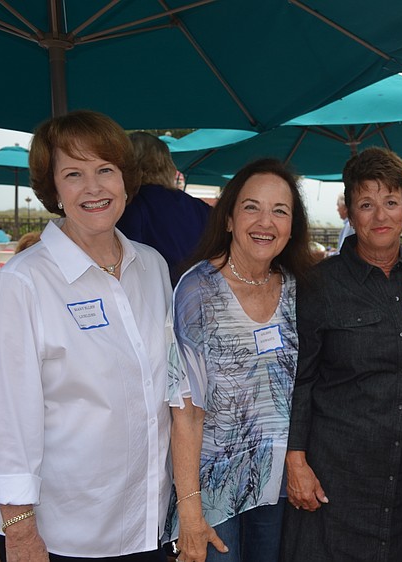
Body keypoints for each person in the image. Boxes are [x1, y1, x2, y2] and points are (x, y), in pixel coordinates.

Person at [0, 110, 173, 562]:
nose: (94, 187)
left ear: (125, 180)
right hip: (64, 534)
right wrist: (21, 535)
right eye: (73, 174)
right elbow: (2, 421)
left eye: (105, 169)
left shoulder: (152, 267)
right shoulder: (21, 285)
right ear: (54, 190)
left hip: (148, 520)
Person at [281, 147, 402, 561]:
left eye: (391, 202)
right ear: (350, 214)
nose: (380, 216)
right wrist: (295, 462)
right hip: (335, 476)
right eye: (366, 205)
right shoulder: (318, 286)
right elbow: (300, 378)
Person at [167, 158, 313, 562]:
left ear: (291, 226)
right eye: (252, 207)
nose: (265, 221)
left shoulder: (297, 289)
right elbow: (186, 411)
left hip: (274, 486)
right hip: (211, 489)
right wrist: (190, 510)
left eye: (279, 211)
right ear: (229, 219)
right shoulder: (198, 290)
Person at [117, 131, 213, 287]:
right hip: (197, 296)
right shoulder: (199, 207)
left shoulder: (130, 207)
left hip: (154, 299)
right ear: (167, 163)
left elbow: (126, 265)